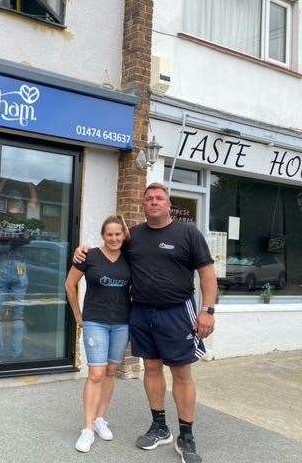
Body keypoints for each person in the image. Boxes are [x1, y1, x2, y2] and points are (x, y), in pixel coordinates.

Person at [73, 182, 217, 463]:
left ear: (168, 203)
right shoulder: (134, 235)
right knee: (151, 368)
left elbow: (208, 274)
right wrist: (82, 250)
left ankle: (185, 434)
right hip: (140, 312)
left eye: (159, 198)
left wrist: (208, 310)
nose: (154, 202)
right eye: (149, 198)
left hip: (177, 312)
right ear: (143, 204)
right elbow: (109, 246)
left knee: (181, 372)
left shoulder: (188, 233)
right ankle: (160, 426)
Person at [65, 215, 131, 453]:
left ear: (123, 235)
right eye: (109, 234)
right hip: (95, 322)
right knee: (96, 373)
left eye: (118, 234)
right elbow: (70, 284)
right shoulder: (88, 256)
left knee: (111, 371)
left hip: (122, 323)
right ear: (103, 235)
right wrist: (78, 315)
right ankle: (88, 429)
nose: (113, 238)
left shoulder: (130, 258)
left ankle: (101, 418)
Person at [0, 180, 37, 363]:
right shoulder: (26, 220)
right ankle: (17, 353)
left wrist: (0, 183)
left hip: (2, 265)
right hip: (19, 268)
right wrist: (31, 187)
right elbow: (34, 205)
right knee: (18, 314)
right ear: (21, 204)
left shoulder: (0, 218)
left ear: (7, 202)